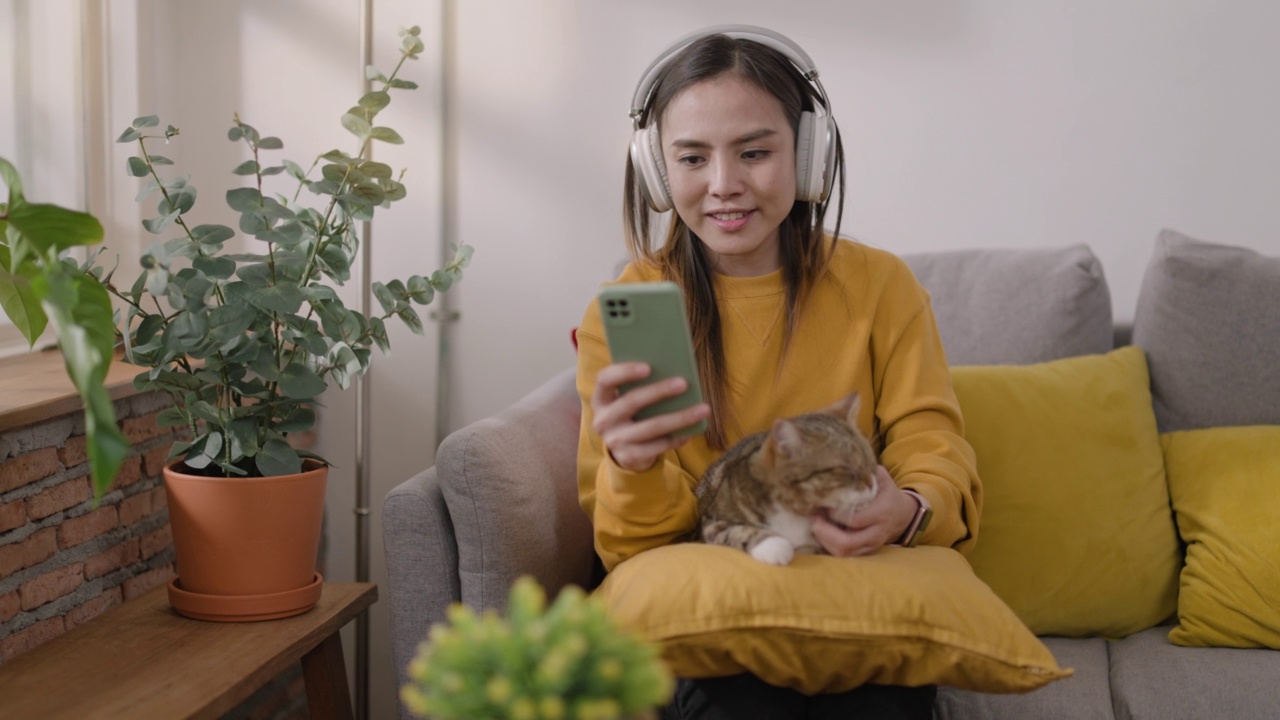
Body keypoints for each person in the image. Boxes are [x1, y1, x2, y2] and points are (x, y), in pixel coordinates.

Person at [574, 25, 981, 720]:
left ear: (809, 154)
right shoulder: (633, 306)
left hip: (855, 600)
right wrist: (631, 467)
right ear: (656, 170)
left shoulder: (882, 285)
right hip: (712, 609)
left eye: (756, 152)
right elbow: (632, 546)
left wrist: (909, 508)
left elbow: (930, 442)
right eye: (692, 158)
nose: (724, 185)